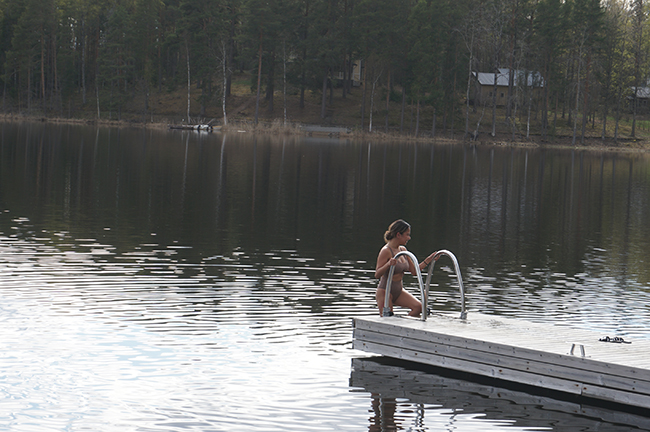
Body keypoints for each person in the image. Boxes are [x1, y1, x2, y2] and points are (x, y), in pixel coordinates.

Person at [375, 219, 439, 317]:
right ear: (398, 235)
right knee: (388, 318)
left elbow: (414, 271)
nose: (409, 238)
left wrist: (429, 260)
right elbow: (377, 274)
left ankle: (406, 325)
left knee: (419, 307)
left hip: (399, 290)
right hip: (385, 291)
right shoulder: (386, 251)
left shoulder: (403, 250)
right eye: (407, 234)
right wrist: (388, 264)